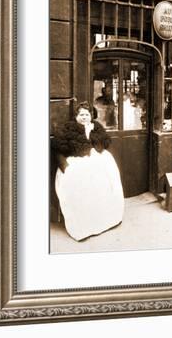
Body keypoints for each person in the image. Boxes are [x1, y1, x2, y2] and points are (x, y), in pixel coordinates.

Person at [52, 102, 124, 241]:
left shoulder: (96, 127)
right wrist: (65, 167)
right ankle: (83, 226)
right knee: (80, 185)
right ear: (76, 116)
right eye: (81, 115)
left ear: (91, 116)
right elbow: (58, 149)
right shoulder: (68, 128)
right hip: (75, 161)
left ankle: (105, 220)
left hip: (96, 159)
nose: (84, 117)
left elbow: (102, 146)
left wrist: (89, 132)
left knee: (105, 183)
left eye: (87, 114)